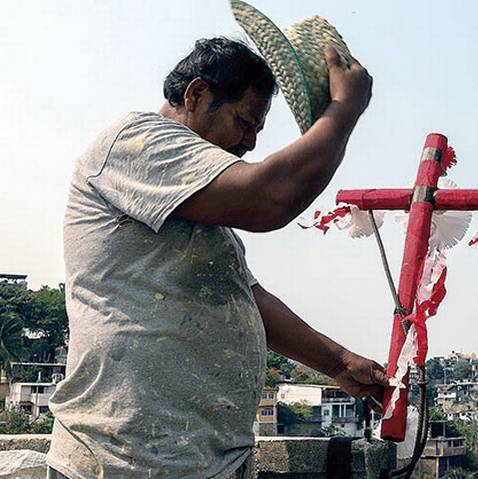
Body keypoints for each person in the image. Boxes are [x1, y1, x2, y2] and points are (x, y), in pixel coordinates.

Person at [47, 37, 387, 479]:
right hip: (124, 457)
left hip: (196, 459)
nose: (248, 143)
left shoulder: (196, 201)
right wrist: (344, 109)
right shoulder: (138, 143)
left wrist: (338, 363)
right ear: (196, 95)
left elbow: (244, 298)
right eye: (243, 122)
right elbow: (272, 198)